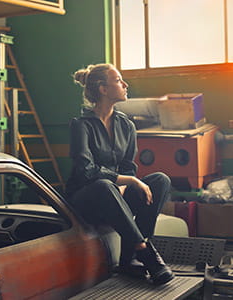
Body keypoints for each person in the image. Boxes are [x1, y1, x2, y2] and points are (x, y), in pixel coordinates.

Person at [65, 63, 174, 285]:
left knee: (160, 180)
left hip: (115, 195)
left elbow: (127, 166)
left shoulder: (126, 125)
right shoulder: (80, 125)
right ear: (103, 89)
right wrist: (128, 182)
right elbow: (86, 172)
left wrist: (125, 185)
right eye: (118, 80)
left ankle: (129, 259)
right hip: (87, 199)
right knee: (104, 186)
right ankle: (144, 251)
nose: (125, 85)